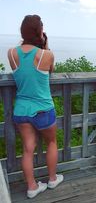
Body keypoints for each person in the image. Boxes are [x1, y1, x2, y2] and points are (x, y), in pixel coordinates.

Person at [7, 15, 63, 199]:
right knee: (52, 142)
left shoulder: (11, 53)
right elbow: (50, 69)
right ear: (40, 31)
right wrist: (45, 45)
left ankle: (32, 187)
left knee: (28, 149)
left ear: (23, 31)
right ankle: (53, 179)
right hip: (43, 109)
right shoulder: (46, 55)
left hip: (21, 110)